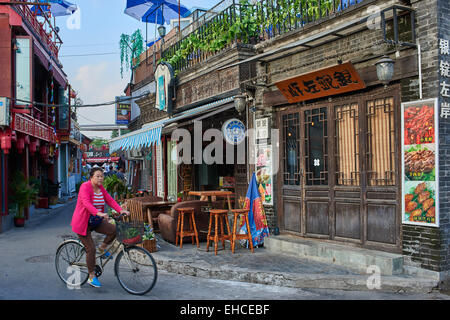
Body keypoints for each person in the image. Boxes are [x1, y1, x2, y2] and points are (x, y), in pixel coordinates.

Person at [71, 167, 130, 288]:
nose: (100, 178)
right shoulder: (85, 187)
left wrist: (121, 210)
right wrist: (98, 213)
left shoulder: (101, 188)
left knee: (114, 230)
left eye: (102, 176)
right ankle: (92, 276)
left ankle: (102, 248)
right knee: (90, 249)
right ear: (91, 177)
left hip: (95, 221)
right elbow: (86, 203)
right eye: (97, 176)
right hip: (83, 223)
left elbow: (110, 200)